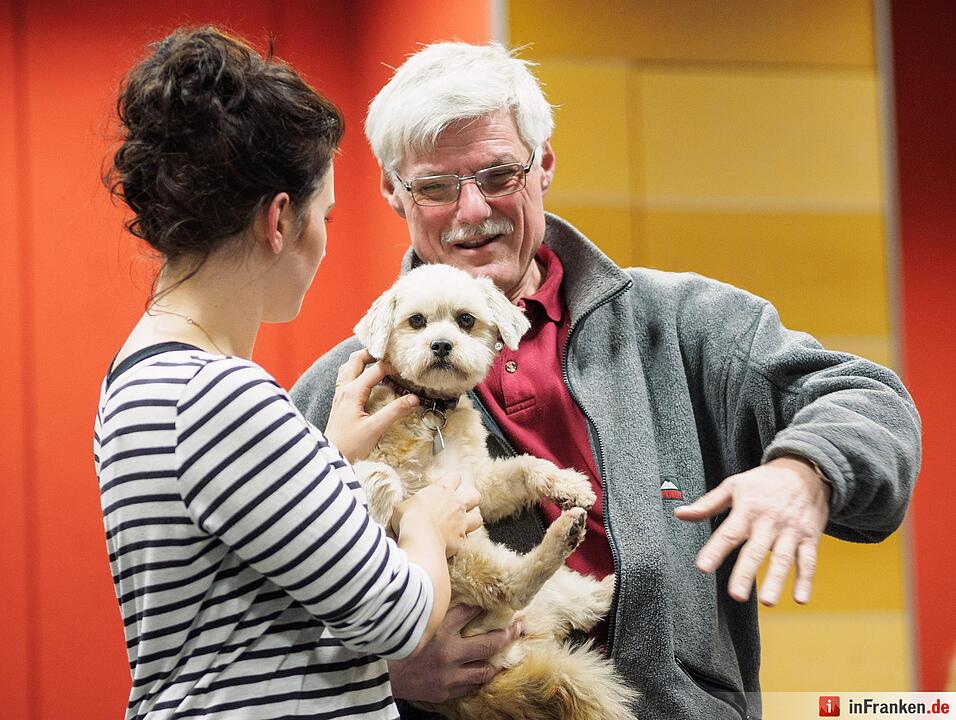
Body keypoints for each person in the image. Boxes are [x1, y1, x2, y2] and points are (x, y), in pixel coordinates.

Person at [290, 41, 922, 720]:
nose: (472, 211)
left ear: (546, 165)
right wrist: (382, 669)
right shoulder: (341, 391)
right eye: (437, 187)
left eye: (499, 174)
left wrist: (805, 469)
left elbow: (868, 397)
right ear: (393, 192)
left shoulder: (682, 323)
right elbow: (263, 623)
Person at [94, 27, 482, 720]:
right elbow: (399, 617)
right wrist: (429, 517)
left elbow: (238, 579)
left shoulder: (144, 371)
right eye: (324, 213)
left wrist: (326, 461)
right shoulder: (222, 396)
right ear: (279, 219)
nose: (325, 236)